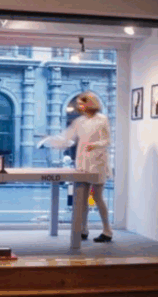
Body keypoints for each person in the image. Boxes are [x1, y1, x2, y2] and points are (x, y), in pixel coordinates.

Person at [48, 92, 114, 242]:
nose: (79, 106)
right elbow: (66, 138)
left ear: (90, 103)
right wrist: (50, 141)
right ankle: (83, 229)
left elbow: (107, 140)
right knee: (81, 198)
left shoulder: (102, 120)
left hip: (98, 163)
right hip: (83, 163)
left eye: (81, 103)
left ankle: (107, 231)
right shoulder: (79, 121)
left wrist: (94, 145)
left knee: (97, 197)